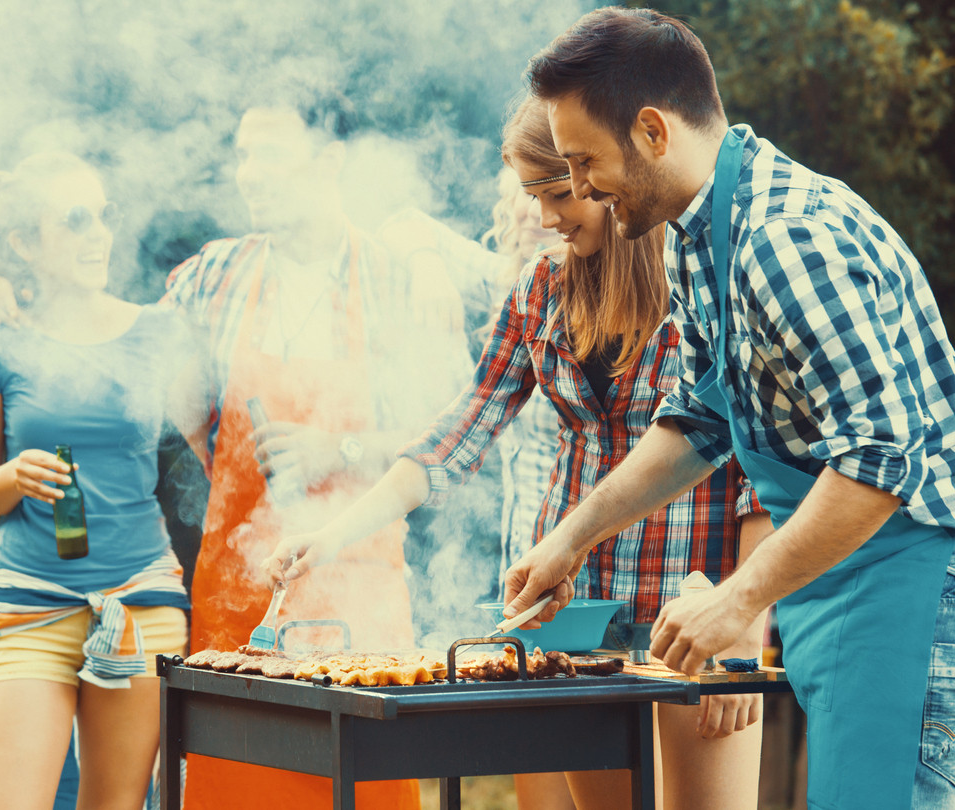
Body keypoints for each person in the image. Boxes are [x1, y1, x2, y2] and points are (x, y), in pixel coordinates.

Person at [501, 7, 955, 808]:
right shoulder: (699, 235)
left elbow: (881, 461)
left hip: (911, 583)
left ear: (649, 130)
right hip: (841, 582)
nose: (576, 191)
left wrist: (741, 597)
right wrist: (571, 540)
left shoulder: (783, 240)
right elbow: (700, 421)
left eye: (581, 161)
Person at [264, 94, 771, 810]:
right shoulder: (539, 289)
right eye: (533, 195)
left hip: (691, 616)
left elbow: (758, 467)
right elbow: (461, 430)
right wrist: (335, 533)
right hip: (576, 624)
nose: (543, 217)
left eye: (557, 193)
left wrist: (740, 634)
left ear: (604, 176)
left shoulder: (705, 286)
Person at [160, 96, 469, 810]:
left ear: (327, 162)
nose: (248, 173)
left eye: (268, 154)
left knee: (362, 789)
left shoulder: (396, 277)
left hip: (359, 591)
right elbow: (171, 392)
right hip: (238, 596)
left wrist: (340, 446)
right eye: (241, 155)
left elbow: (452, 441)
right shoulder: (212, 276)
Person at [0, 151, 196, 810]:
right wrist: (11, 474)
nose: (99, 236)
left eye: (103, 216)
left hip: (140, 597)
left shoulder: (159, 332)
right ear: (24, 243)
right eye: (76, 220)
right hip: (30, 599)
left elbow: (216, 447)